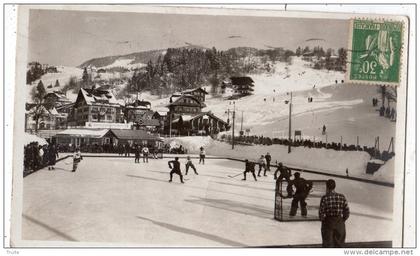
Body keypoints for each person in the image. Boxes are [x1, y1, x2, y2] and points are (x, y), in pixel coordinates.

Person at [319, 179, 350, 247]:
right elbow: (347, 211)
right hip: (339, 223)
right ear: (335, 186)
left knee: (328, 245)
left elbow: (321, 213)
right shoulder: (342, 196)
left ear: (327, 187)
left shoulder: (325, 198)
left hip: (328, 223)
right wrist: (342, 220)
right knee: (339, 245)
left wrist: (324, 220)